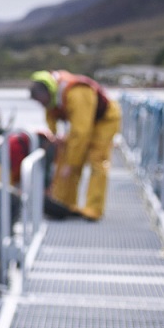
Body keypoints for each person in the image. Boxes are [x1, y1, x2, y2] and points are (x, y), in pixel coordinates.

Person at [29, 69, 120, 220]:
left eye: (41, 101)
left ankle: (93, 209)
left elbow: (81, 132)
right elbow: (51, 120)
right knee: (66, 156)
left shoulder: (77, 92)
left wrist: (70, 165)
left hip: (104, 121)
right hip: (81, 124)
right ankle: (65, 204)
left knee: (97, 160)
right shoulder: (51, 99)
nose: (42, 105)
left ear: (47, 93)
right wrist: (55, 140)